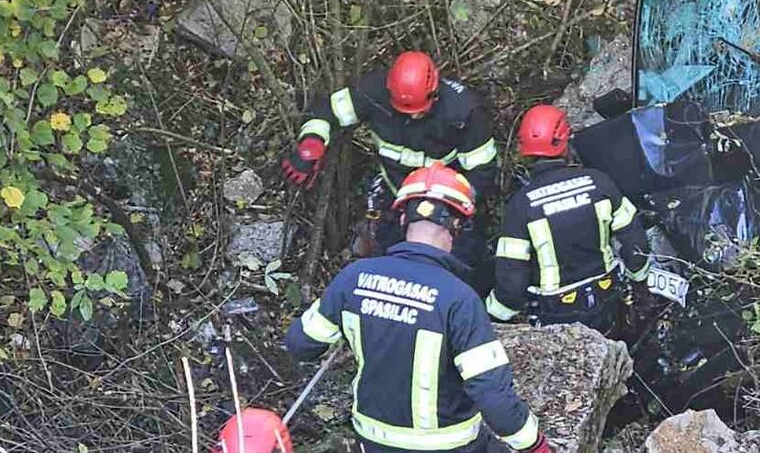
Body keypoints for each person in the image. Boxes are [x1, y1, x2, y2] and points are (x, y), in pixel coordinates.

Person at [285, 163, 551, 453]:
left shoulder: (354, 277)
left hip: (371, 441)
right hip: (450, 446)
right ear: (458, 224)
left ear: (403, 218)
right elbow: (493, 396)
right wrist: (534, 445)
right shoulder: (458, 299)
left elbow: (300, 344)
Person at [281, 50, 497, 294]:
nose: (412, 115)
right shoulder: (374, 94)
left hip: (449, 210)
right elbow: (327, 109)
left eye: (418, 110)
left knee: (459, 275)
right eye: (404, 110)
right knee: (393, 271)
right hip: (397, 201)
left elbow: (484, 172)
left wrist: (453, 211)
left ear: (434, 93)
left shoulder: (462, 112)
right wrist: (312, 141)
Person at [485, 105, 676, 337]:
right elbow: (635, 242)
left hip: (556, 315)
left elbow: (512, 283)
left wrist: (493, 316)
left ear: (523, 149)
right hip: (608, 300)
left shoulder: (521, 206)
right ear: (566, 141)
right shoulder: (599, 183)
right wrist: (640, 286)